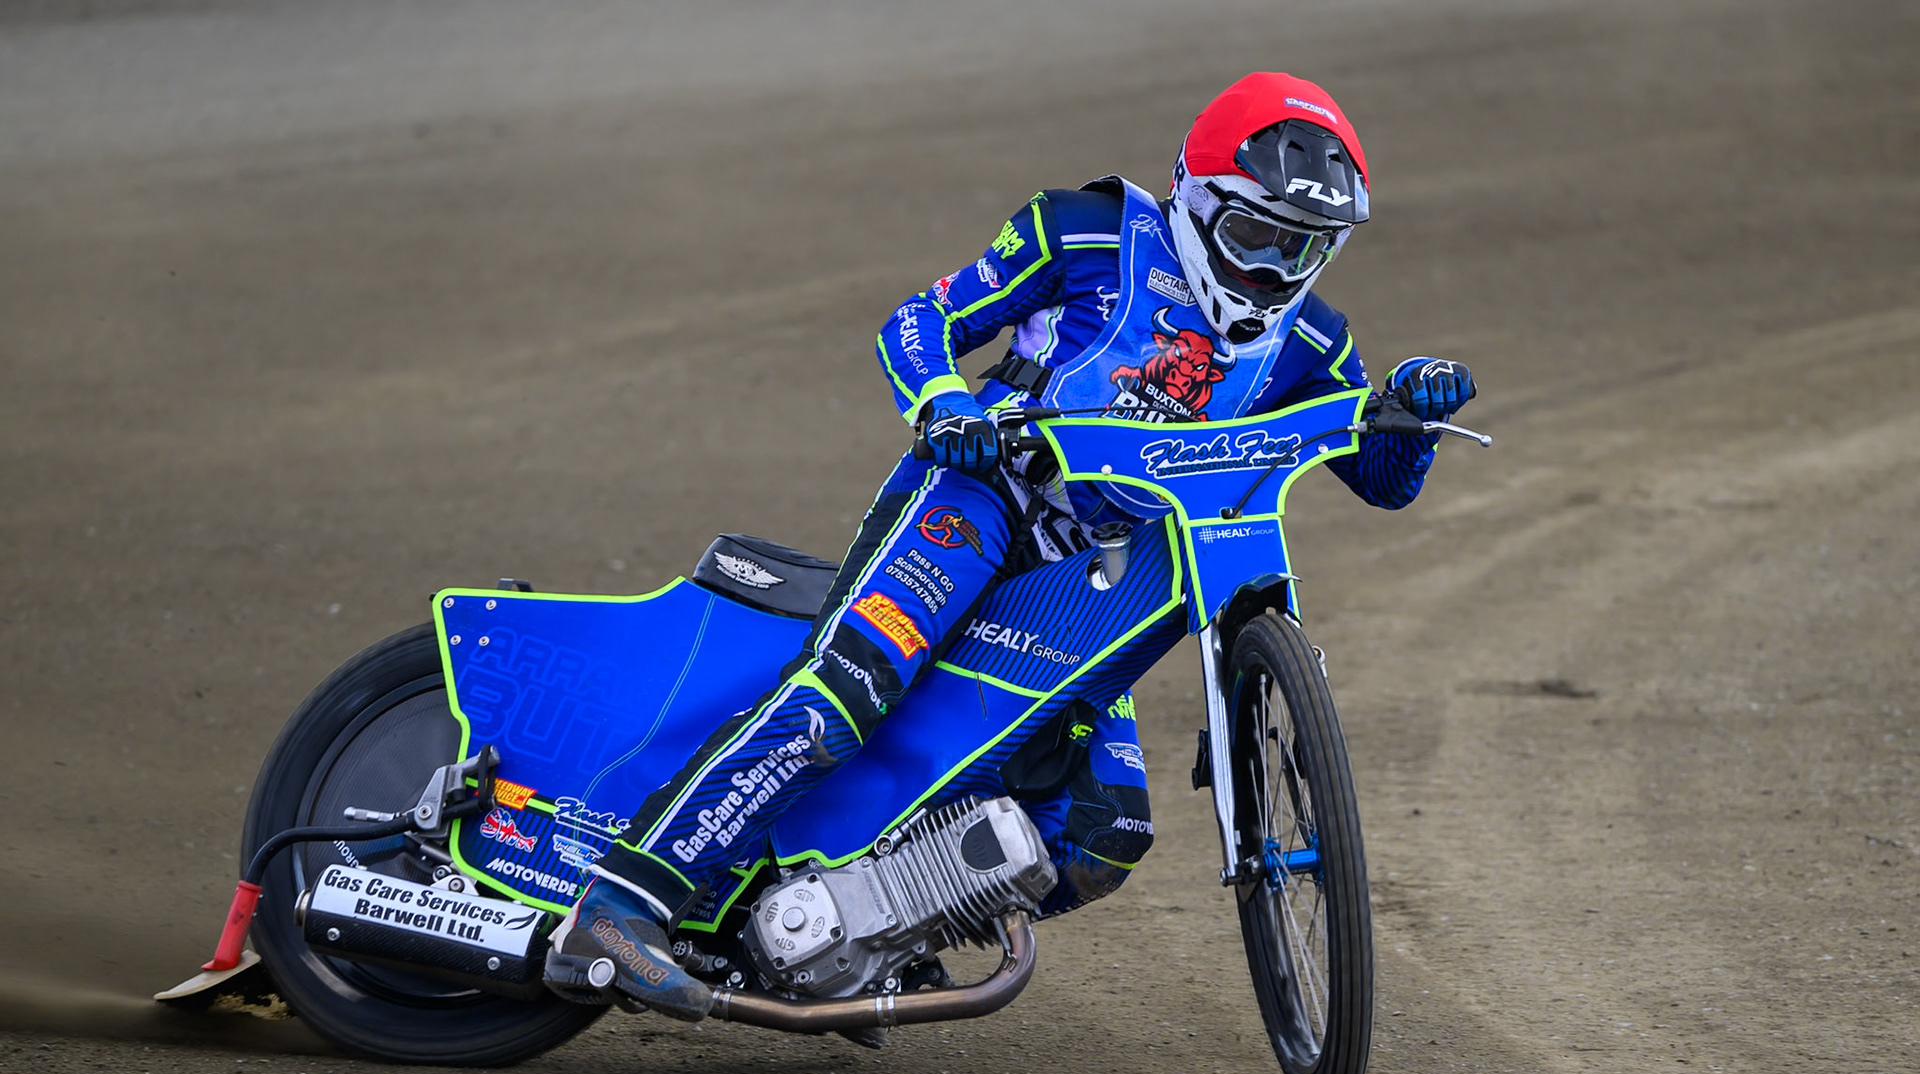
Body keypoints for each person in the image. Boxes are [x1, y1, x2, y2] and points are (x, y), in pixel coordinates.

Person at [544, 71, 1477, 1020]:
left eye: (1306, 246)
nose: (1276, 271)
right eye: (1256, 236)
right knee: (848, 686)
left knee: (1105, 832)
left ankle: (870, 925)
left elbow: (1382, 481)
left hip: (1092, 575)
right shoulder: (1080, 231)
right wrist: (944, 401)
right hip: (980, 500)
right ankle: (621, 904)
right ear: (1197, 199)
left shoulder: (1312, 341)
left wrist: (1415, 410)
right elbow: (920, 320)